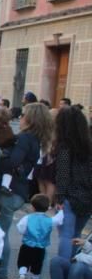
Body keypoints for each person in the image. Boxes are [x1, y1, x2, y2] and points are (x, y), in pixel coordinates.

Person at [0, 102, 49, 279]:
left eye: (23, 115)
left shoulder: (25, 138)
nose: (20, 118)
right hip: (18, 191)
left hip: (10, 191)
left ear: (30, 119)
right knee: (0, 232)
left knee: (0, 234)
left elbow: (13, 162)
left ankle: (0, 277)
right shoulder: (36, 139)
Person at [51, 106, 92, 260]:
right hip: (87, 197)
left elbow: (63, 174)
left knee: (66, 235)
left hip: (69, 196)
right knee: (76, 235)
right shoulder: (89, 146)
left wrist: (60, 197)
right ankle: (70, 267)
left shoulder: (64, 147)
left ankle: (62, 269)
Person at [16, 194, 64, 279]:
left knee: (23, 261)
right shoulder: (49, 220)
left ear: (33, 207)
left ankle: (22, 275)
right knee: (37, 264)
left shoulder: (27, 218)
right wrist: (61, 210)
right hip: (41, 247)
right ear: (47, 208)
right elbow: (58, 220)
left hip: (26, 245)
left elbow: (20, 228)